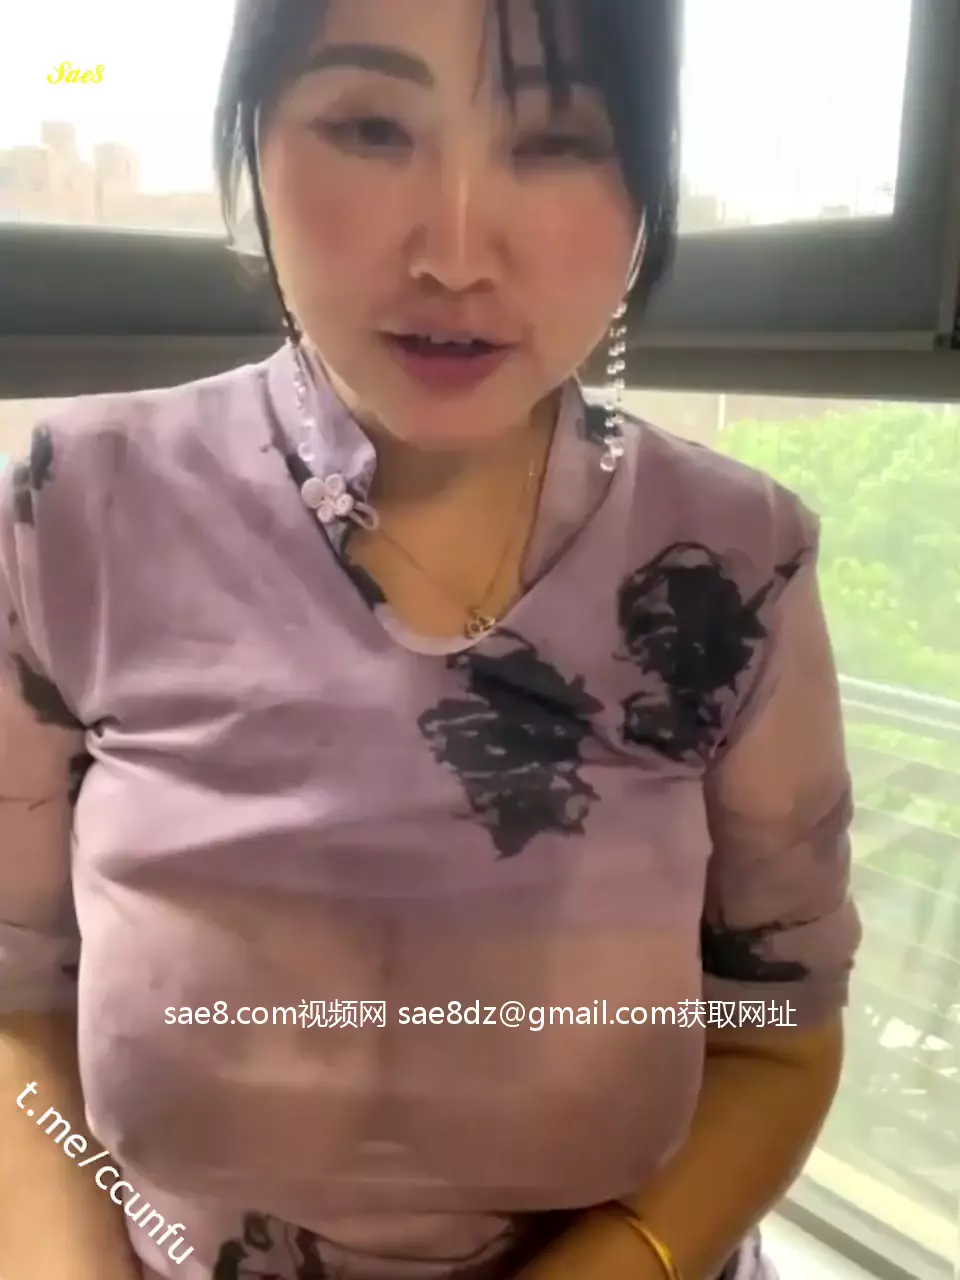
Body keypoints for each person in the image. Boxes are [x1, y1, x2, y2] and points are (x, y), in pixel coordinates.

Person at [0, 1, 862, 1278]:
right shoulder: (76, 508)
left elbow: (777, 1027)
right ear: (252, 145)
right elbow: (15, 1001)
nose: (456, 254)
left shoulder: (732, 566)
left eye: (556, 141)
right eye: (370, 127)